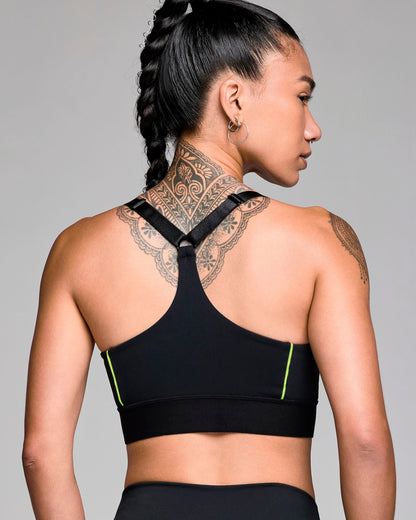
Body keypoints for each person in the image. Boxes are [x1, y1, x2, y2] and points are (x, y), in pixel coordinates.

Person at [22, 0, 396, 518]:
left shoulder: (78, 249)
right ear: (234, 99)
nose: (313, 127)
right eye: (301, 97)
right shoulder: (322, 241)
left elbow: (40, 455)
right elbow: (366, 442)